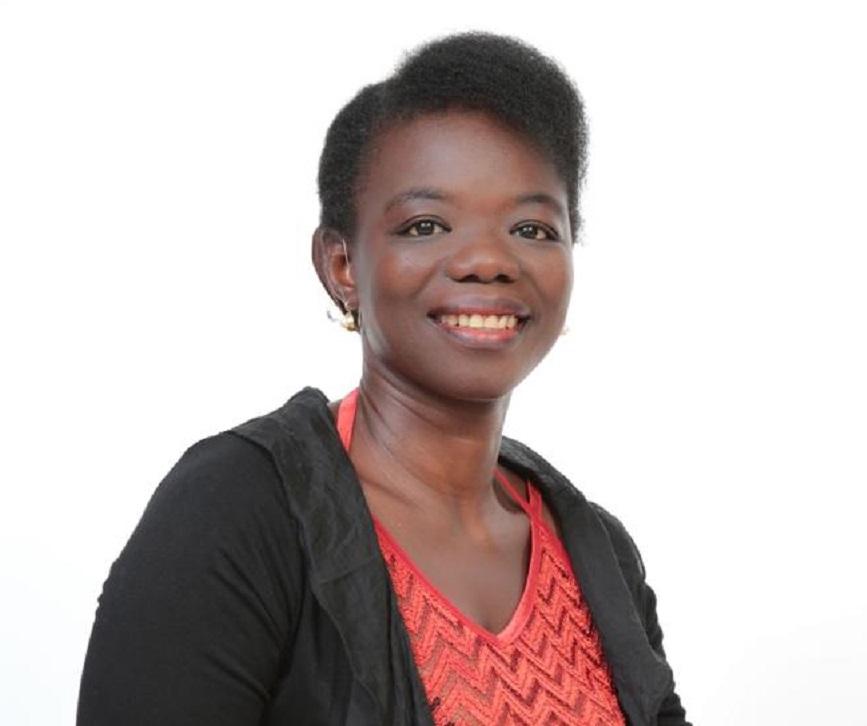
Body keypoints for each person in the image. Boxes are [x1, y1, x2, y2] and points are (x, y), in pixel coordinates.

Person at [77, 32, 690, 725]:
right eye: (426, 225)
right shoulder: (237, 510)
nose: (487, 261)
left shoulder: (598, 553)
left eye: (532, 229)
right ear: (342, 267)